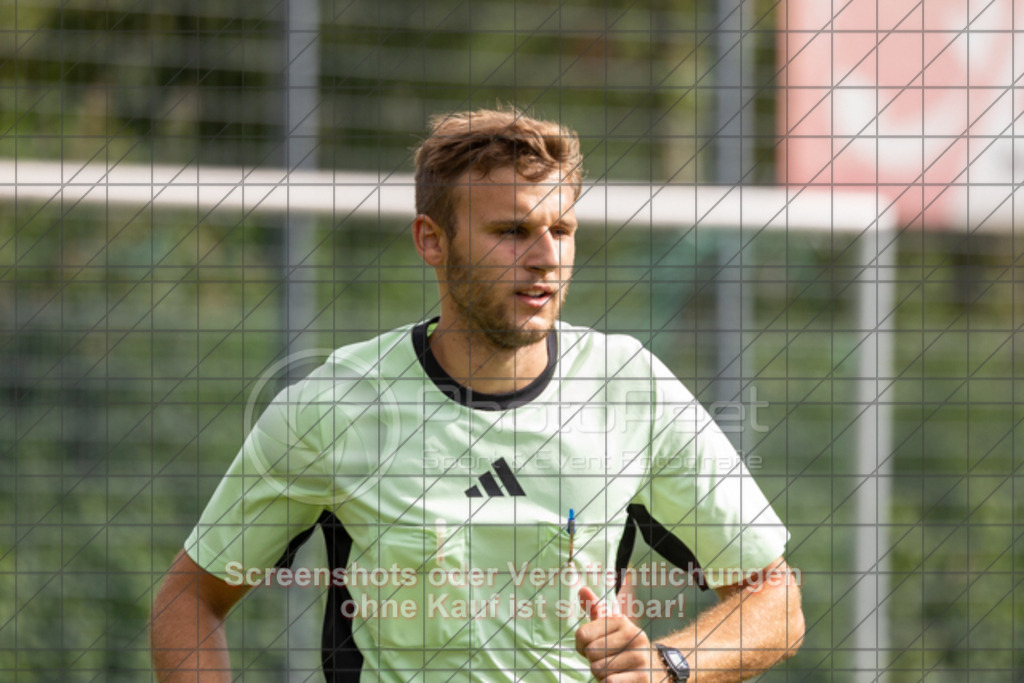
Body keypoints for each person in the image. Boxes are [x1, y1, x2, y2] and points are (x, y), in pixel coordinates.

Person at [150, 107, 804, 682]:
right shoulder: (336, 405)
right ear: (432, 240)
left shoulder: (632, 389)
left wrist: (671, 664)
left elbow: (775, 600)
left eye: (562, 229)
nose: (546, 256)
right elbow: (188, 600)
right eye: (512, 231)